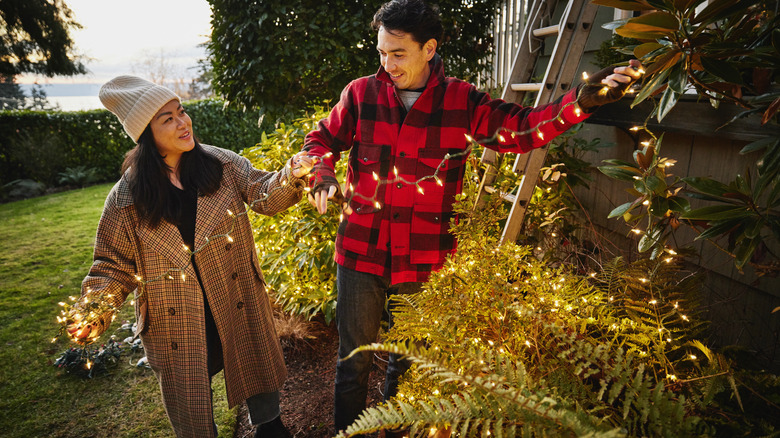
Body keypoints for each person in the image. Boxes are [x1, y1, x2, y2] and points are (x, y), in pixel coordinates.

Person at [301, 0, 644, 433]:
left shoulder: (461, 100)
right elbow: (320, 140)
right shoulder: (360, 94)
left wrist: (584, 98)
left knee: (410, 370)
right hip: (359, 253)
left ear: (429, 49)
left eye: (398, 53)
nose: (387, 64)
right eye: (382, 52)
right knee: (353, 365)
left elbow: (525, 128)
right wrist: (321, 173)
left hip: (424, 262)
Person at [67, 75, 313, 438]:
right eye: (167, 119)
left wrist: (291, 173)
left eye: (181, 111)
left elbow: (263, 194)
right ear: (145, 134)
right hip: (176, 319)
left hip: (235, 298)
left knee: (269, 417)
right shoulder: (125, 199)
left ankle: (269, 427)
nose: (183, 122)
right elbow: (112, 266)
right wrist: (94, 310)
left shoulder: (221, 165)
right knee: (195, 421)